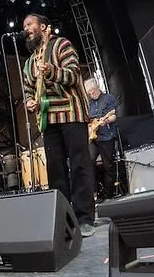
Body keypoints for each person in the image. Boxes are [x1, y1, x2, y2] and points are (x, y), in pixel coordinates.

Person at [21, 14, 95, 236]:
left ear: (43, 27)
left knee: (80, 164)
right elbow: (27, 89)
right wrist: (30, 101)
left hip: (71, 114)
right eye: (24, 27)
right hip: (48, 120)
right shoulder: (28, 63)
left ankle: (84, 219)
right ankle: (64, 219)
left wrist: (52, 72)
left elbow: (74, 75)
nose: (26, 29)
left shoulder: (61, 44)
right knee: (56, 170)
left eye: (29, 25)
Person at [84, 79, 119, 200]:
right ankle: (94, 194)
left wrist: (107, 120)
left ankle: (108, 195)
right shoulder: (89, 103)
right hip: (93, 138)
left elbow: (113, 115)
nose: (91, 95)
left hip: (106, 136)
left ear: (97, 88)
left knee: (108, 165)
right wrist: (89, 127)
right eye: (89, 93)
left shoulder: (108, 99)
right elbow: (87, 119)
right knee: (89, 162)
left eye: (92, 92)